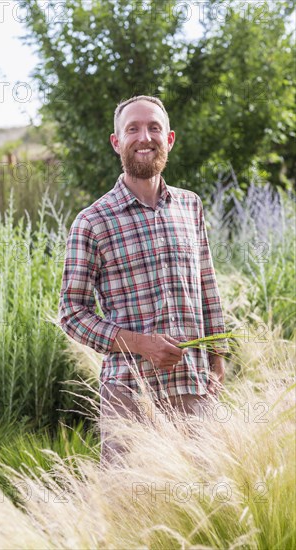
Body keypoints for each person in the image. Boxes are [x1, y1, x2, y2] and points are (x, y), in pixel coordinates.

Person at [58, 95, 229, 465]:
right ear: (117, 142)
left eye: (154, 127)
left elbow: (207, 288)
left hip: (194, 390)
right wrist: (141, 344)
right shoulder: (92, 221)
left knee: (206, 508)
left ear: (169, 139)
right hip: (130, 397)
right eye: (132, 128)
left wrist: (218, 358)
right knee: (130, 510)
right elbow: (71, 313)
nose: (144, 136)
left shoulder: (190, 206)